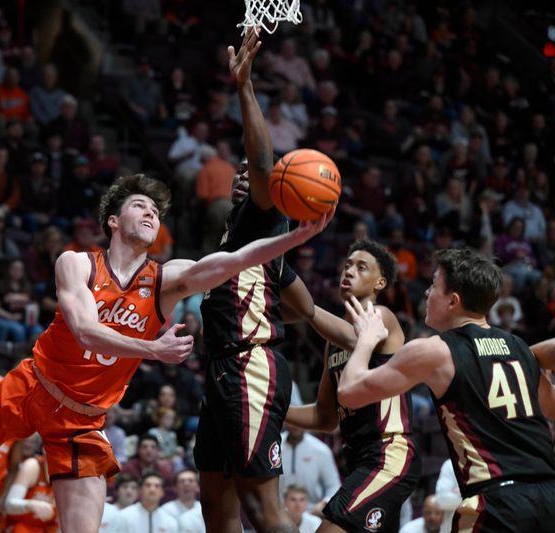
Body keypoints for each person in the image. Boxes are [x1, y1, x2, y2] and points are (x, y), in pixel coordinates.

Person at [0, 167, 328, 533]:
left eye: (155, 210)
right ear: (114, 221)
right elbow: (82, 329)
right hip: (33, 387)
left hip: (82, 420)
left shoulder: (165, 279)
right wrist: (151, 348)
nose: (150, 213)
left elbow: (231, 261)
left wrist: (292, 238)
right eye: (139, 206)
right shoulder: (76, 263)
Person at [337, 248, 555, 531]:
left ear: (453, 301)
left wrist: (367, 339)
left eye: (433, 286)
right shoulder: (517, 346)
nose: (426, 293)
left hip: (498, 504)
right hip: (553, 499)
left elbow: (349, 392)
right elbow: (554, 406)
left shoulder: (434, 351)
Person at [194, 28, 327, 533]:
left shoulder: (264, 221)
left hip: (249, 365)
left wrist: (245, 87)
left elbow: (266, 165)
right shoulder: (239, 247)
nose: (249, 176)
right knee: (214, 497)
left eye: (258, 174)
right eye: (243, 172)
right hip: (223, 371)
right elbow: (304, 307)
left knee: (263, 510)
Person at [285, 240, 421, 532]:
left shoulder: (382, 318)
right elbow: (325, 417)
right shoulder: (331, 344)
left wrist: (304, 305)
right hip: (359, 459)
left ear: (380, 282)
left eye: (361, 267)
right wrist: (272, 410)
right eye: (347, 265)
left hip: (388, 453)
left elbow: (354, 336)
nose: (349, 271)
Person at [278, 426, 341, 515]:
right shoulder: (274, 446)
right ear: (285, 420)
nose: (296, 425)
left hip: (312, 512)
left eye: (300, 420)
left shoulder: (321, 449)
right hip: (277, 512)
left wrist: (324, 504)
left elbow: (334, 485)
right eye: (293, 420)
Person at [4, 450, 59, 533]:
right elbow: (9, 505)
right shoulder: (32, 465)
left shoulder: (73, 472)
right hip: (22, 526)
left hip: (48, 527)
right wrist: (31, 505)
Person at [114, 473, 178, 533]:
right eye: (148, 485)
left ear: (162, 492)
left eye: (157, 486)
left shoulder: (170, 521)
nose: (152, 489)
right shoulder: (124, 516)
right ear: (140, 490)